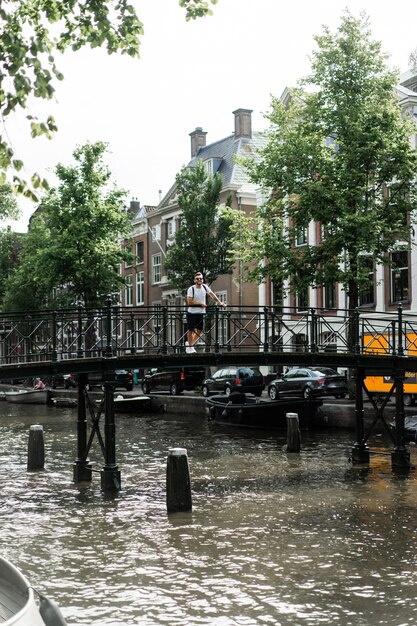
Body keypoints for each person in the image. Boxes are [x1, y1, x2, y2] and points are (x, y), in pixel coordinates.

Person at [186, 272, 226, 353]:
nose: (200, 280)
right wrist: (200, 304)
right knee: (191, 330)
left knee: (200, 330)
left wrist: (219, 302)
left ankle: (190, 345)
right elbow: (189, 302)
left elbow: (212, 294)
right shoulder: (191, 289)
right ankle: (190, 347)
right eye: (198, 279)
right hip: (192, 313)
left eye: (201, 278)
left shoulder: (204, 287)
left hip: (201, 313)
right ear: (194, 280)